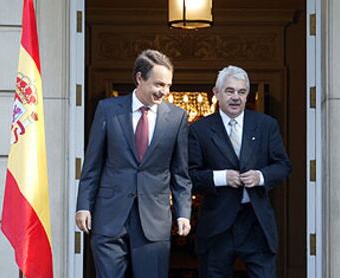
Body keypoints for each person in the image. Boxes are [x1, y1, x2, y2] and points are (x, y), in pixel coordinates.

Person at [75, 49, 192, 278]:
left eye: (168, 85)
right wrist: (83, 205)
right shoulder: (108, 110)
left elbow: (180, 172)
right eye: (159, 84)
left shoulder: (177, 118)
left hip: (154, 218)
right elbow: (93, 164)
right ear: (139, 78)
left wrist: (183, 212)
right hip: (110, 215)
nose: (165, 92)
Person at [189, 65, 291, 277]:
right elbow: (190, 175)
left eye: (241, 92)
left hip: (256, 222)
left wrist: (261, 176)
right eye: (229, 91)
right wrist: (221, 177)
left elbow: (283, 166)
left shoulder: (265, 125)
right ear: (216, 93)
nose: (236, 97)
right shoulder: (199, 130)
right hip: (218, 224)